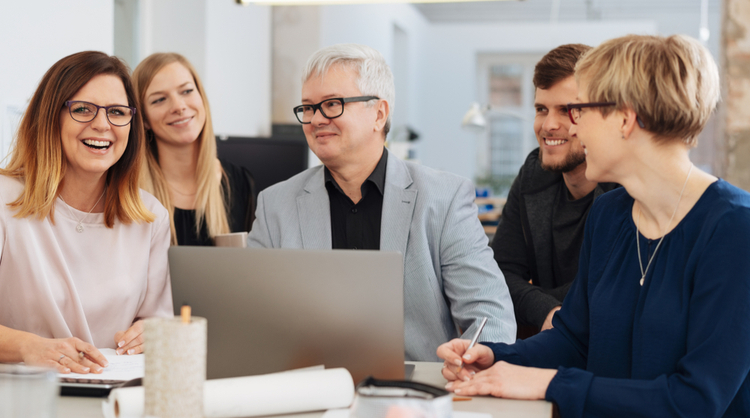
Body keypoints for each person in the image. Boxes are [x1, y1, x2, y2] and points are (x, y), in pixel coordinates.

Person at [438, 34, 750, 417]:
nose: (573, 128)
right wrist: (496, 356)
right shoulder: (609, 214)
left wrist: (549, 383)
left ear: (625, 118)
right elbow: (575, 339)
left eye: (580, 110)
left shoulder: (735, 229)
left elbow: (695, 401)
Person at [247, 43, 516, 361]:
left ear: (379, 114)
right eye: (307, 107)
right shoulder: (275, 204)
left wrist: (470, 361)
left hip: (414, 395)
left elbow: (489, 314)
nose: (316, 119)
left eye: (332, 104)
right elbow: (252, 315)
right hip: (310, 389)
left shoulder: (443, 198)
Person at [0, 51, 172, 374]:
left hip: (114, 397)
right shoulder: (4, 200)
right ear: (51, 117)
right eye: (82, 109)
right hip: (20, 396)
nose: (102, 125)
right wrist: (30, 347)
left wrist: (151, 334)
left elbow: (155, 323)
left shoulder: (150, 217)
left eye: (117, 112)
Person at [490, 44, 618, 334]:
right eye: (541, 109)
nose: (548, 125)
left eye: (567, 110)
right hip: (547, 346)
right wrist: (545, 308)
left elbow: (604, 290)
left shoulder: (623, 188)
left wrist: (533, 300)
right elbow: (497, 275)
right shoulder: (534, 173)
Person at [133, 53, 254, 246]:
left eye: (187, 91)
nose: (179, 106)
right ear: (144, 119)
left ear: (201, 98)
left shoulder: (240, 183)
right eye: (159, 100)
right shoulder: (129, 193)